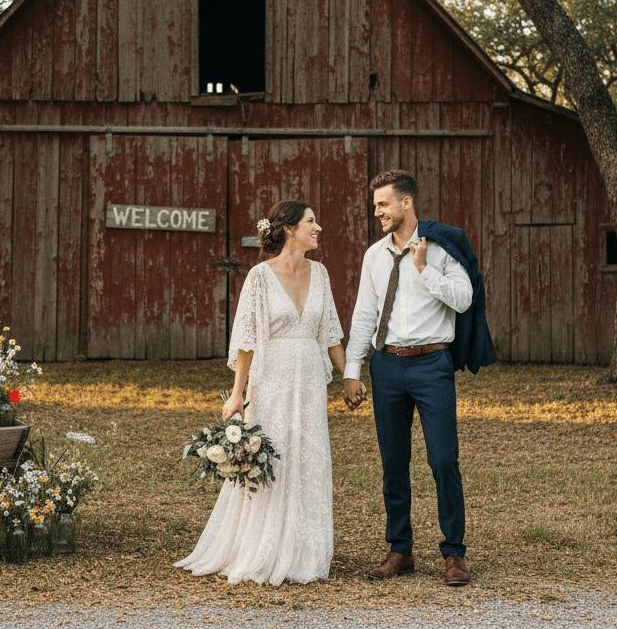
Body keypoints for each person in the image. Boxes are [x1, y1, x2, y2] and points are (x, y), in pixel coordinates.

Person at [175, 200, 346, 585]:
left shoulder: (320, 274)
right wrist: (237, 395)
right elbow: (247, 340)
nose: (318, 228)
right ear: (289, 229)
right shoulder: (259, 277)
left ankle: (305, 549)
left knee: (308, 457)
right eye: (311, 222)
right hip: (271, 379)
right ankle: (263, 545)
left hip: (308, 384)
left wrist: (350, 375)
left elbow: (331, 333)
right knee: (274, 456)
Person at [342, 169, 496, 586]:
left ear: (406, 203)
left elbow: (464, 300)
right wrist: (352, 371)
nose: (377, 213)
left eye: (383, 205)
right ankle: (400, 549)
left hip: (432, 365)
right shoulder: (374, 256)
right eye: (375, 206)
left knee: (443, 459)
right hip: (387, 365)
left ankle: (454, 554)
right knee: (394, 462)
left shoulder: (441, 249)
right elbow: (364, 314)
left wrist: (425, 268)